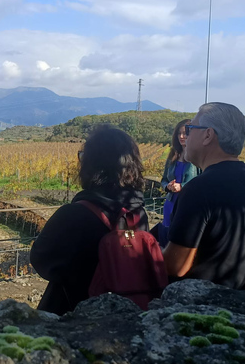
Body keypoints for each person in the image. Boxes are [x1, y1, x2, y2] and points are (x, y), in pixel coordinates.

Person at [30, 125, 158, 315]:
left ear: (92, 165)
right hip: (124, 309)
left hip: (73, 310)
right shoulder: (138, 213)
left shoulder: (73, 214)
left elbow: (41, 260)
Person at [163, 102, 245, 291]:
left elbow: (176, 266)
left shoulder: (199, 188)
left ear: (208, 135)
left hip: (204, 304)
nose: (185, 137)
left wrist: (147, 250)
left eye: (190, 129)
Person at [155, 118, 200, 247]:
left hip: (187, 203)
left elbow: (202, 180)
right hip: (170, 202)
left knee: (182, 238)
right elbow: (164, 180)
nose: (181, 136)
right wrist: (168, 186)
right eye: (179, 133)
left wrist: (182, 186)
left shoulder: (197, 156)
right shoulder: (172, 155)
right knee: (166, 237)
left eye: (185, 133)